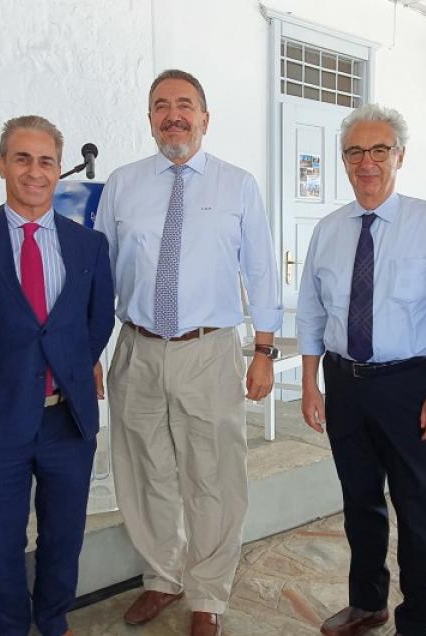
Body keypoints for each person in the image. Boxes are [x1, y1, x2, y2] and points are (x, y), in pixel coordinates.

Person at [95, 69, 282, 636]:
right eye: (161, 106)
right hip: (138, 348)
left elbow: (261, 270)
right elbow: (98, 274)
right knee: (144, 470)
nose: (172, 115)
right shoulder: (123, 185)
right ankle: (162, 577)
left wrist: (264, 349)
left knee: (214, 475)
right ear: (150, 119)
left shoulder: (237, 185)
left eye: (184, 105)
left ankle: (208, 593)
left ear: (205, 117)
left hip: (209, 349)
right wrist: (89, 349)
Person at [296, 104, 426, 636]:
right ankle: (367, 603)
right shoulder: (328, 230)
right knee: (360, 499)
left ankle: (418, 617)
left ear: (400, 156)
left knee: (418, 505)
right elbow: (311, 312)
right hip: (343, 383)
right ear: (344, 160)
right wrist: (310, 383)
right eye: (355, 152)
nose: (366, 162)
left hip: (408, 385)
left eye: (378, 150)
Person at [0, 115, 114, 636]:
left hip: (67, 421)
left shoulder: (88, 245)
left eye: (45, 161)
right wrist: (11, 377)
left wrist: (68, 369)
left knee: (64, 537)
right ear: (1, 165)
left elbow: (97, 320)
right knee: (0, 543)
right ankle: (9, 627)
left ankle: (54, 620)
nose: (34, 172)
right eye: (22, 159)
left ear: (59, 169)